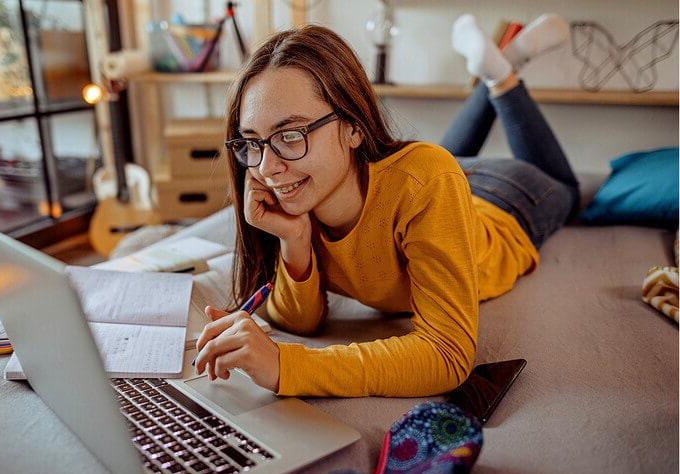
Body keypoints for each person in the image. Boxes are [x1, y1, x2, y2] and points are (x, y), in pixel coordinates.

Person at [192, 14, 579, 397]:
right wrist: (294, 238)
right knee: (439, 159)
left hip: (504, 201)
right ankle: (495, 65)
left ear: (355, 127)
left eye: (291, 135)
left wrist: (286, 366)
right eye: (252, 142)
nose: (266, 168)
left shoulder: (427, 179)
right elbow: (300, 322)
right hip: (440, 176)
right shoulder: (301, 193)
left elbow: (447, 355)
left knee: (566, 188)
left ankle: (501, 75)